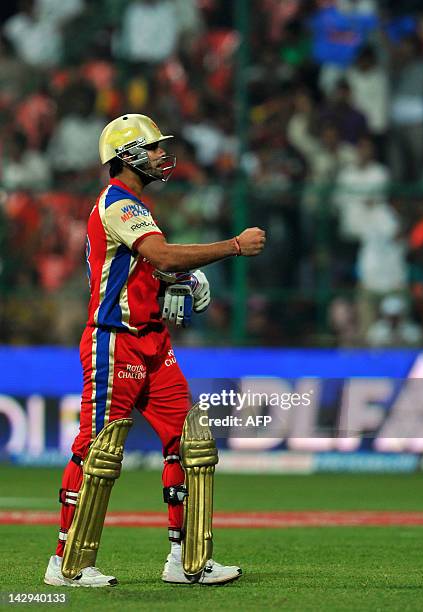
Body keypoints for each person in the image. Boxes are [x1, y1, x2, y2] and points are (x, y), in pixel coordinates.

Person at [44, 113, 265, 587]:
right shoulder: (119, 204)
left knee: (189, 444)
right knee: (95, 452)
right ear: (126, 156)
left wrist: (181, 279)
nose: (163, 154)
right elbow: (160, 255)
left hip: (152, 342)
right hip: (115, 339)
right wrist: (233, 246)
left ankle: (186, 561)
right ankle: (66, 564)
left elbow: (151, 269)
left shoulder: (135, 206)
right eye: (154, 147)